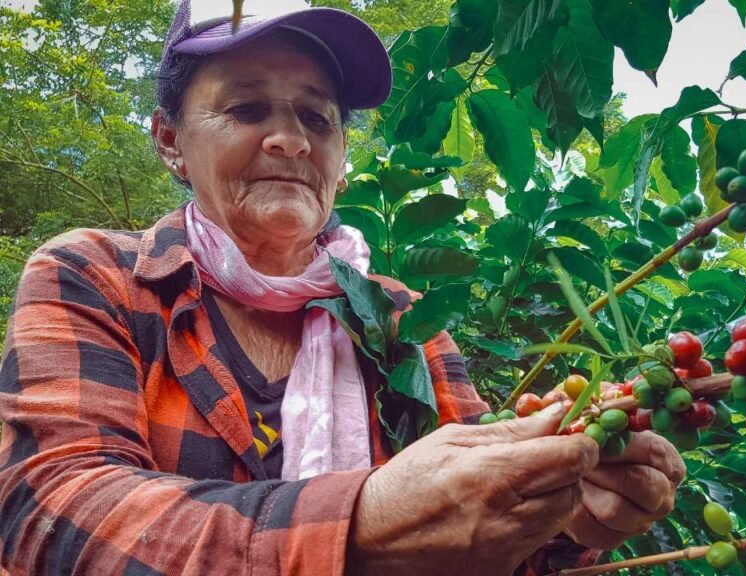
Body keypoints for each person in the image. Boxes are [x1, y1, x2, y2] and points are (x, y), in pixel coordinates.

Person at [0, 1, 686, 574]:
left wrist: (566, 517)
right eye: (245, 109)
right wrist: (361, 521)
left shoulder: (400, 319)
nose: (291, 141)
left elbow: (483, 540)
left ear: (341, 157)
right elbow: (52, 509)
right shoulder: (93, 277)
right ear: (170, 141)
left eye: (317, 118)